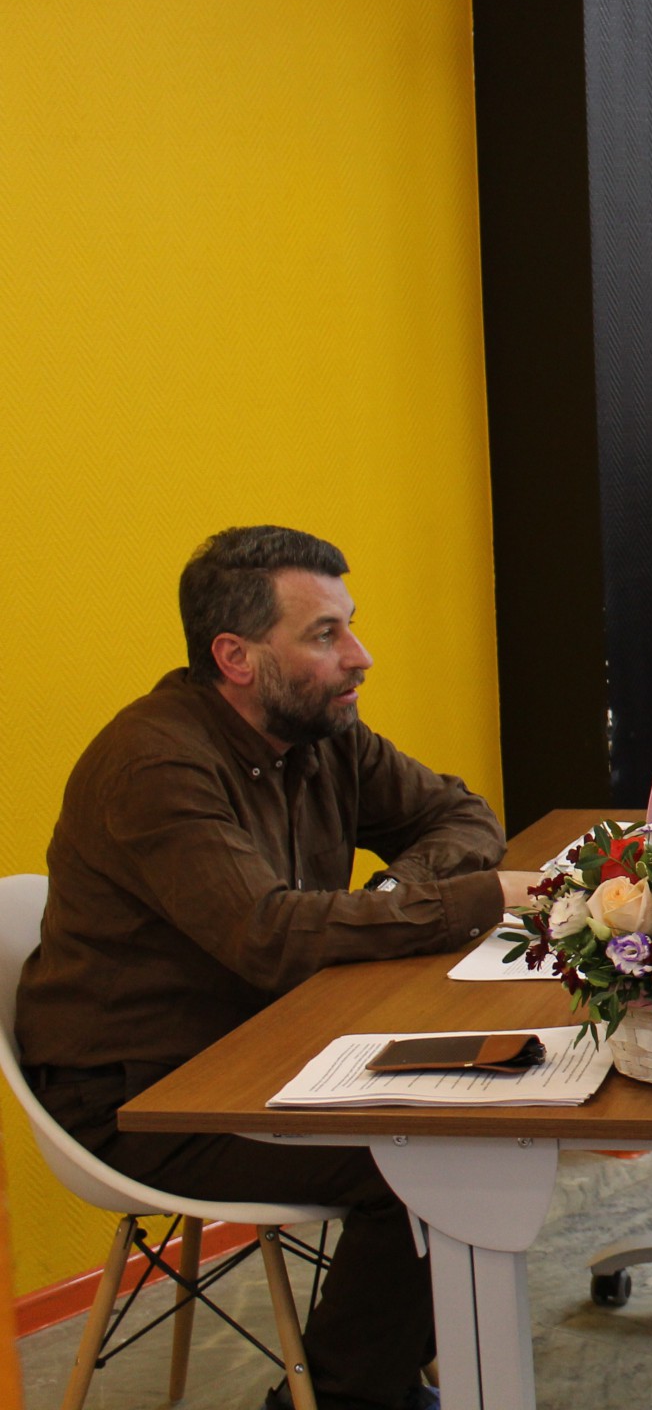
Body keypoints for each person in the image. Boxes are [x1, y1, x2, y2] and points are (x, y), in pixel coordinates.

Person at [17, 527, 546, 1410]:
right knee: (435, 1167)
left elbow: (460, 814)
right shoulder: (156, 764)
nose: (359, 656)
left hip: (275, 1045)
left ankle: (379, 1377)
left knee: (491, 1112)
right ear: (236, 657)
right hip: (146, 1095)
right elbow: (270, 936)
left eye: (350, 626)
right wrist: (474, 897)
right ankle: (348, 1397)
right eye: (325, 634)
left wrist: (400, 891)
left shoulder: (321, 729)